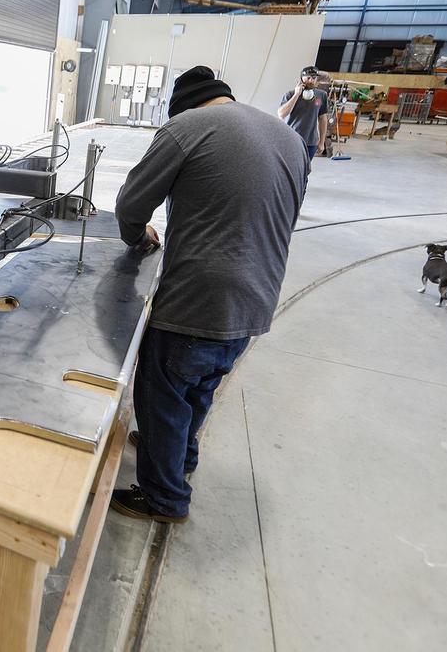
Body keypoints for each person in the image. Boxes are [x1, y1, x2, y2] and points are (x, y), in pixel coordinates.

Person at [111, 66, 309, 523]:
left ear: (182, 106)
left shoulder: (186, 128)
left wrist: (137, 239)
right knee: (201, 385)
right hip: (257, 297)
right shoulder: (287, 138)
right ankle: (181, 455)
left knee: (162, 394)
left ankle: (163, 497)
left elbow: (130, 206)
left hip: (199, 297)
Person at [278, 65, 330, 158]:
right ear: (301, 79)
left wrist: (322, 142)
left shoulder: (321, 95)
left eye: (314, 78)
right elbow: (281, 114)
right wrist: (296, 95)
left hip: (311, 142)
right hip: (291, 140)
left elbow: (323, 119)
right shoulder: (290, 95)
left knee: (305, 170)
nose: (311, 81)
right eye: (308, 78)